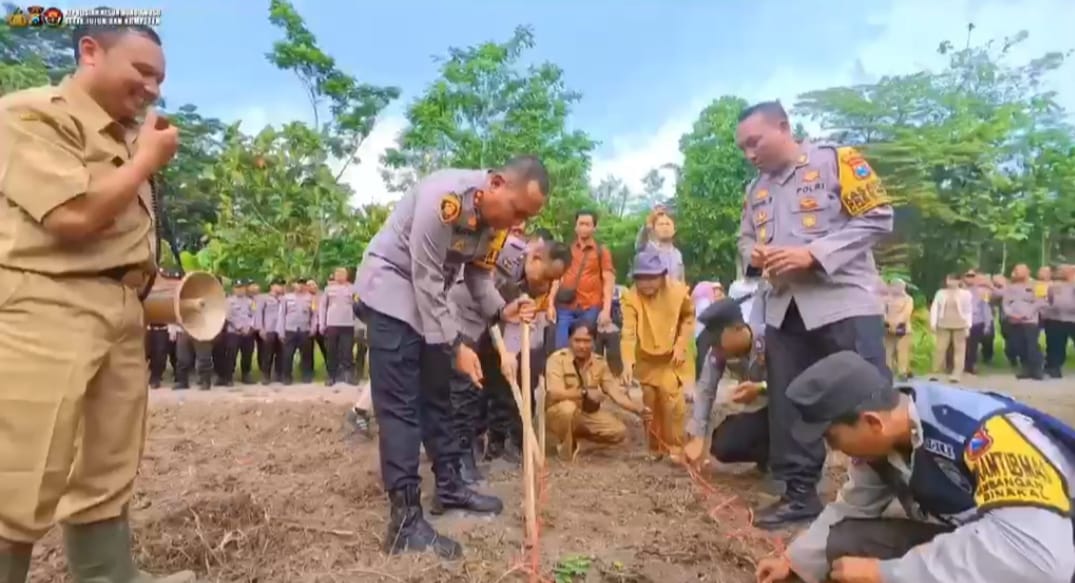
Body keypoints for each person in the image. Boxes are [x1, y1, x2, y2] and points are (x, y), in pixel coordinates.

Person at [0, 18, 196, 582]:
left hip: (120, 311)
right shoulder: (32, 114)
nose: (153, 88)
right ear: (91, 51)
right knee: (23, 469)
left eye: (160, 78)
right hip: (48, 306)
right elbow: (72, 216)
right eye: (142, 71)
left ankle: (107, 576)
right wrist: (145, 163)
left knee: (106, 466)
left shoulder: (126, 137)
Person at [354, 156, 548, 559]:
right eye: (517, 211)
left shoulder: (495, 227)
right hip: (391, 287)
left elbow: (477, 275)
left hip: (426, 301)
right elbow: (425, 277)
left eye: (525, 218)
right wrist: (455, 345)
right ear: (495, 183)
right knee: (403, 407)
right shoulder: (445, 199)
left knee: (437, 398)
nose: (517, 225)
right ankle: (404, 522)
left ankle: (449, 488)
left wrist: (501, 310)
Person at [755, 351, 1075, 583]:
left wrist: (888, 574)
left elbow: (1040, 562)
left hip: (1046, 559)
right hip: (973, 537)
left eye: (832, 438)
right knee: (845, 541)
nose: (832, 450)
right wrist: (793, 560)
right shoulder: (886, 434)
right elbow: (853, 505)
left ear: (871, 423)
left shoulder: (988, 435)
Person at [736, 100, 893, 529]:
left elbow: (879, 217)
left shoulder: (835, 162)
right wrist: (756, 254)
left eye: (756, 142)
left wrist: (813, 253)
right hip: (785, 309)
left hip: (843, 301)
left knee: (868, 398)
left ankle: (894, 490)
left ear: (784, 127)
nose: (750, 154)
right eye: (743, 148)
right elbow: (745, 239)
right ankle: (799, 493)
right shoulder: (756, 191)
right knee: (792, 403)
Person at [445, 233, 570, 483]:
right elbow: (478, 290)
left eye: (553, 280)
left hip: (493, 323)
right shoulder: (504, 250)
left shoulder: (535, 286)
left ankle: (490, 445)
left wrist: (509, 355)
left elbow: (517, 317)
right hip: (461, 315)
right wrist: (503, 349)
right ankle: (458, 457)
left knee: (498, 379)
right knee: (465, 385)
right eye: (546, 276)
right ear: (535, 257)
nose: (547, 285)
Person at [620, 250, 695, 460]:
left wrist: (681, 344)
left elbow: (688, 318)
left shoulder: (679, 292)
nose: (647, 284)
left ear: (663, 275)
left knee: (672, 402)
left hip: (672, 357)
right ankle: (654, 447)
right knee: (649, 402)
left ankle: (675, 447)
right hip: (646, 357)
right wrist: (627, 363)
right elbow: (628, 332)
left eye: (652, 277)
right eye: (641, 278)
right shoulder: (630, 297)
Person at [685, 287, 769, 473]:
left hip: (788, 410)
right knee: (724, 444)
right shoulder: (719, 352)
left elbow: (795, 382)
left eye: (717, 340)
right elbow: (706, 391)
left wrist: (761, 388)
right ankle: (768, 458)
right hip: (760, 413)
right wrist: (697, 437)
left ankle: (785, 463)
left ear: (737, 329)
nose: (715, 347)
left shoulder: (772, 339)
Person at [545, 320, 650, 460]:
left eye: (587, 341)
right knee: (567, 408)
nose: (582, 346)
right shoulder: (557, 360)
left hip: (586, 413)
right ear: (569, 340)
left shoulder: (600, 363)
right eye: (577, 340)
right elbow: (555, 393)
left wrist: (638, 409)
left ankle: (581, 444)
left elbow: (615, 393)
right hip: (558, 412)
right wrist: (584, 393)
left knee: (618, 431)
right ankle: (564, 446)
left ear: (594, 342)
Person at [548, 210, 615, 350]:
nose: (584, 227)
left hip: (590, 305)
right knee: (560, 348)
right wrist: (550, 303)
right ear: (575, 227)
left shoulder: (601, 251)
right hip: (565, 305)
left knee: (585, 347)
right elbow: (557, 277)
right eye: (581, 224)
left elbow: (608, 281)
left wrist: (606, 309)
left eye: (588, 224)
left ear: (594, 228)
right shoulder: (567, 250)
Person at [1002, 263, 1045, 380]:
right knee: (1019, 345)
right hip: (1015, 320)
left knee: (1032, 345)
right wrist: (1012, 314)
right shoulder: (1010, 287)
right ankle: (1025, 368)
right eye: (1016, 270)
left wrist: (1027, 314)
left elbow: (1040, 302)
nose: (1017, 273)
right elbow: (1005, 304)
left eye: (1020, 270)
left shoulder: (1037, 285)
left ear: (1028, 272)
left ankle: (1036, 369)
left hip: (1030, 320)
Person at [928, 274, 972, 383]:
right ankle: (936, 371)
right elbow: (935, 308)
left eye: (954, 279)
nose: (951, 282)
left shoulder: (965, 294)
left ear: (959, 281)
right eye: (949, 279)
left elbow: (968, 310)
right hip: (943, 324)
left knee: (959, 350)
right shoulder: (940, 293)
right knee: (940, 348)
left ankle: (957, 373)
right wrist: (933, 323)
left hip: (960, 324)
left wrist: (968, 325)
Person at [320, 267, 357, 386]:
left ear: (347, 275)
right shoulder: (328, 289)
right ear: (334, 275)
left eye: (342, 274)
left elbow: (357, 306)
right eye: (338, 274)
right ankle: (331, 376)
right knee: (331, 351)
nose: (340, 276)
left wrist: (357, 322)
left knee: (347, 351)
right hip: (332, 324)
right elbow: (322, 307)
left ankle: (348, 375)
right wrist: (322, 323)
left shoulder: (353, 289)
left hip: (348, 324)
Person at [278, 278, 315, 384]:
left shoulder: (311, 298)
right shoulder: (286, 298)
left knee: (306, 355)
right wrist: (281, 331)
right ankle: (286, 377)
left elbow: (314, 315)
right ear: (294, 285)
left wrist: (312, 328)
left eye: (303, 284)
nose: (301, 286)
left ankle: (306, 376)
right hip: (290, 329)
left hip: (304, 329)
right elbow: (281, 315)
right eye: (298, 284)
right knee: (287, 354)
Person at [635, 207, 685, 282]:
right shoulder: (649, 248)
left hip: (675, 292)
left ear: (674, 230)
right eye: (660, 224)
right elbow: (639, 244)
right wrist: (648, 225)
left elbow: (681, 279)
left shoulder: (678, 254)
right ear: (653, 229)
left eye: (668, 224)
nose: (665, 227)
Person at [223, 279, 256, 386]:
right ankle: (228, 377)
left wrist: (250, 327)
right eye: (237, 288)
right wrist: (239, 327)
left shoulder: (250, 301)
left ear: (245, 288)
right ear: (233, 289)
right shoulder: (228, 301)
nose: (240, 290)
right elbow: (228, 316)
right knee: (231, 355)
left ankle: (246, 374)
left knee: (247, 354)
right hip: (234, 332)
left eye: (241, 288)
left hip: (248, 332)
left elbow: (254, 315)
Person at [1047, 265, 1075, 377]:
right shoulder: (1055, 286)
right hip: (1056, 318)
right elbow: (1050, 300)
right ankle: (1054, 367)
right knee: (1056, 344)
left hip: (1072, 318)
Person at [256, 279, 285, 384]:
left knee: (281, 353)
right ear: (272, 286)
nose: (280, 287)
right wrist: (260, 328)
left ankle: (279, 374)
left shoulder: (284, 299)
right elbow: (258, 313)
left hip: (281, 330)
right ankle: (265, 375)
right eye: (278, 285)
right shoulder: (264, 298)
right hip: (269, 329)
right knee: (267, 354)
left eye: (282, 285)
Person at [883, 280, 913, 380]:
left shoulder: (908, 299)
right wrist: (888, 321)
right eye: (893, 286)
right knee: (888, 350)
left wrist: (897, 323)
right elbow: (883, 311)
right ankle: (888, 371)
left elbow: (906, 313)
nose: (895, 288)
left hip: (903, 329)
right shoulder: (887, 299)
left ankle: (903, 372)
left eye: (898, 286)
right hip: (888, 328)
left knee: (902, 351)